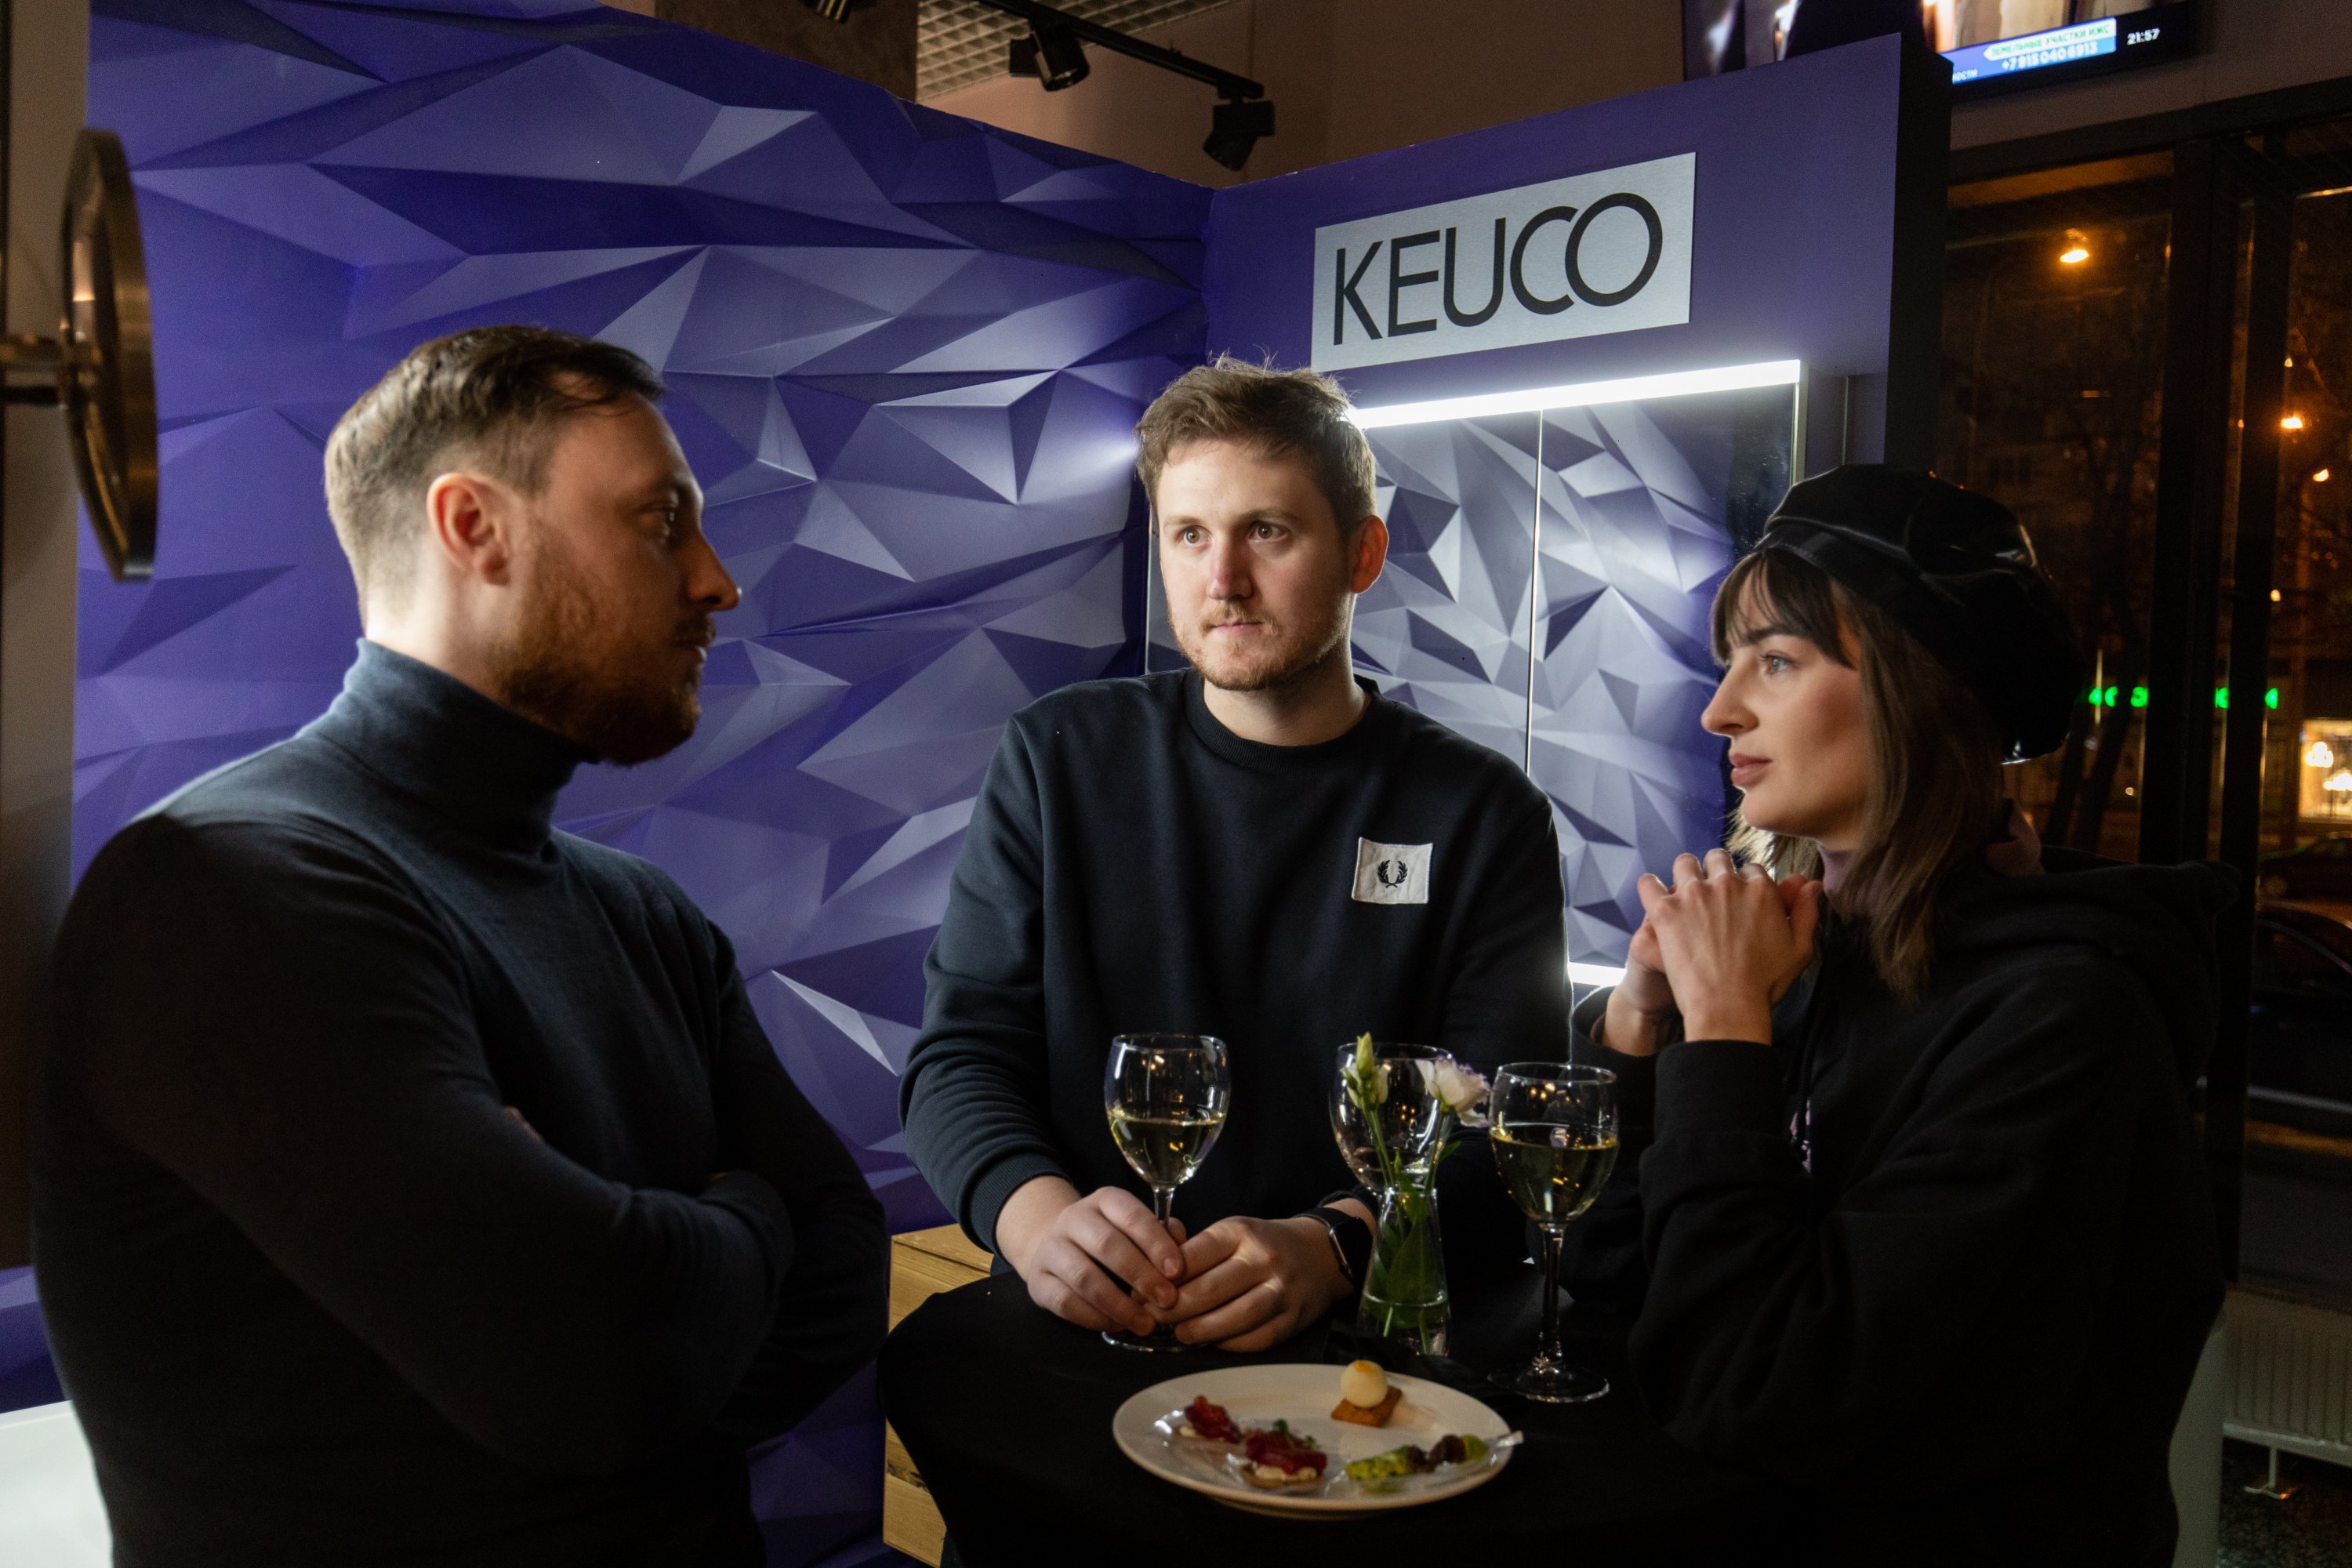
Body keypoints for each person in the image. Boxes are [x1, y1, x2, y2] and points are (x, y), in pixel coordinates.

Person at [31, 327, 889, 1567]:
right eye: (661, 522)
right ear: (475, 527)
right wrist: (753, 1212)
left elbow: (843, 1268)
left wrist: (650, 1286)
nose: (716, 582)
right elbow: (594, 1370)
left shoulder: (644, 912)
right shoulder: (227, 886)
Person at [1566, 466, 2227, 1562]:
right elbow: (1609, 1297)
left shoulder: (2066, 1021)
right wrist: (1642, 1026)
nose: (1720, 710)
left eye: (1777, 660)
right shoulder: (1810, 954)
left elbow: (1766, 1392)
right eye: (1731, 663)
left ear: (1916, 687)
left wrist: (1725, 1032)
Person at [895, 357, 1566, 1352]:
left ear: (1363, 553)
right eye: (1190, 534)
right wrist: (1038, 1223)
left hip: (1359, 1360)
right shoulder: (1058, 756)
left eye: (1268, 530)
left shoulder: (1484, 813)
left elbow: (1507, 1132)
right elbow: (960, 1058)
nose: (1224, 580)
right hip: (1090, 1332)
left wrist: (1339, 1242)